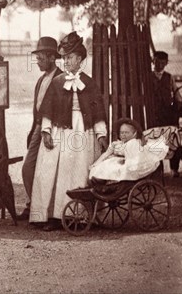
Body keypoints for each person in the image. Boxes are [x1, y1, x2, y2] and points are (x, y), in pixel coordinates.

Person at [29, 32, 108, 230]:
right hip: (60, 130)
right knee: (50, 170)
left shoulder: (89, 84)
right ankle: (52, 216)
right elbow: (47, 109)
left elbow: (98, 111)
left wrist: (101, 134)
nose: (66, 62)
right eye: (64, 58)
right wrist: (46, 131)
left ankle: (79, 215)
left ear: (80, 59)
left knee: (77, 171)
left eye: (70, 58)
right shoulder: (57, 82)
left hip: (82, 131)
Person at [18, 37, 62, 220]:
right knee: (28, 168)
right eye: (37, 59)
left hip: (51, 128)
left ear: (52, 58)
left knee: (46, 170)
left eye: (41, 58)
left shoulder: (60, 79)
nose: (37, 62)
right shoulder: (41, 80)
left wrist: (48, 130)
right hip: (38, 126)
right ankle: (32, 205)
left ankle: (45, 211)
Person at [150, 51, 182, 177]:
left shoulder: (169, 77)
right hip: (155, 114)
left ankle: (175, 169)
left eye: (162, 63)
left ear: (166, 63)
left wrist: (178, 106)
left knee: (173, 142)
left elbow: (177, 95)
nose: (159, 65)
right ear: (153, 61)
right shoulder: (148, 76)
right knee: (156, 141)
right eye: (157, 62)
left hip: (169, 114)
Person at [89, 118, 168, 183]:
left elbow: (134, 158)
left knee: (115, 167)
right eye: (121, 133)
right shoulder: (117, 144)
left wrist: (124, 161)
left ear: (134, 134)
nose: (123, 135)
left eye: (126, 133)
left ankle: (111, 181)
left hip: (132, 164)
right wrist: (96, 163)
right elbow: (106, 154)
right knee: (105, 164)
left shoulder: (133, 143)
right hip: (123, 162)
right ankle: (101, 179)